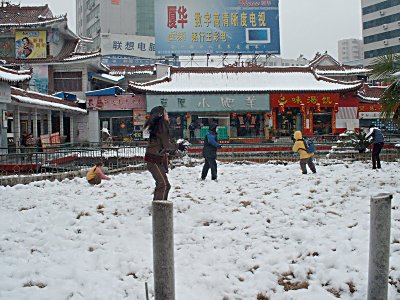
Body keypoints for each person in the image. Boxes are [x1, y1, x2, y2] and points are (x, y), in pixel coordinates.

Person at [144, 106, 187, 200]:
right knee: (164, 185)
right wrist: (178, 146)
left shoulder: (160, 126)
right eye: (166, 113)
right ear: (161, 115)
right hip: (153, 160)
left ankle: (158, 206)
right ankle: (160, 210)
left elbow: (163, 144)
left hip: (154, 159)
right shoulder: (162, 126)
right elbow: (166, 145)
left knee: (162, 185)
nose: (168, 115)